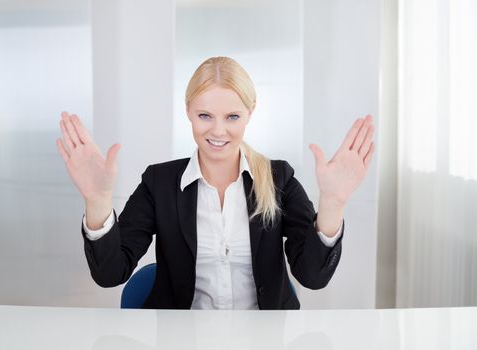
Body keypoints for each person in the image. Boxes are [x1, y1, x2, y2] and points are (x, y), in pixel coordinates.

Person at [56, 56, 375, 309]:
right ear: (188, 112)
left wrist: (332, 203)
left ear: (250, 113)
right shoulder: (160, 183)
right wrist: (97, 202)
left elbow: (312, 276)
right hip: (181, 339)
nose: (218, 131)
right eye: (205, 116)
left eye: (232, 117)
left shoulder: (279, 178)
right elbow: (110, 274)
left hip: (264, 339)